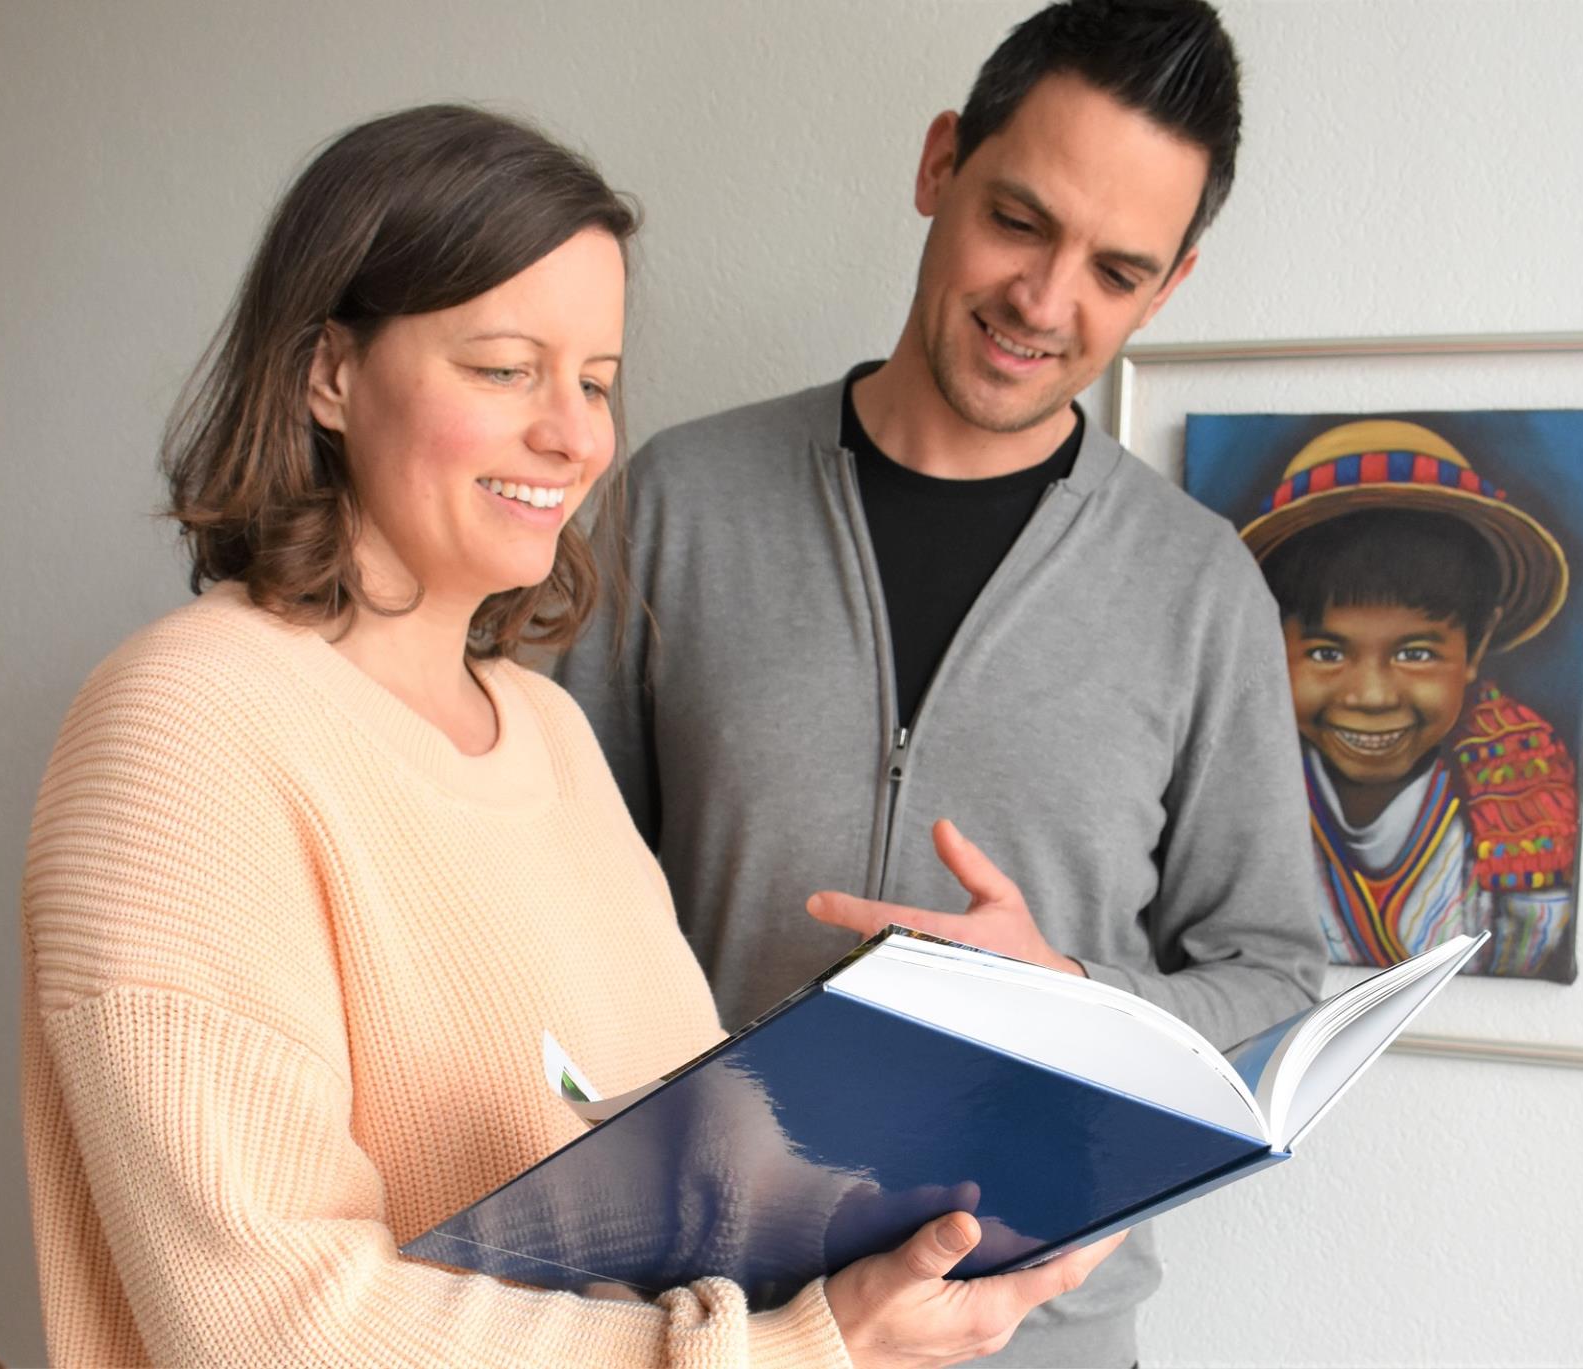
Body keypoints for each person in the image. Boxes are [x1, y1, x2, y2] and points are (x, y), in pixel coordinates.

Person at [20, 103, 1121, 1369]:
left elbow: (688, 1199)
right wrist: (800, 1348)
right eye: (505, 369)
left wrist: (939, 1206)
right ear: (329, 373)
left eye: (595, 381)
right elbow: (271, 1325)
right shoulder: (185, 729)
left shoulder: (547, 729)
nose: (575, 434)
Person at [559, 3, 1326, 1362]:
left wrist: (1069, 994)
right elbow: (545, 889)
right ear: (939, 167)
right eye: (1019, 221)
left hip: (1033, 1334)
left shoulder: (1201, 589)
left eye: (1117, 270)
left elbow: (1272, 984)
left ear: (1170, 286)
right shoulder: (677, 503)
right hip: (703, 1323)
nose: (1045, 300)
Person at [1245, 417, 1581, 980]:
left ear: (1477, 646)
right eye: (1326, 653)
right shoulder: (1238, 797)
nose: (1371, 696)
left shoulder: (1525, 804)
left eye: (1416, 653)